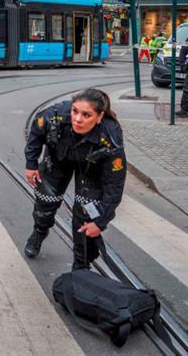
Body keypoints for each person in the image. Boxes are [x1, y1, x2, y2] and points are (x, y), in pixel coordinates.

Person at [23, 88, 127, 270]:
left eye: (86, 115)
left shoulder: (110, 136)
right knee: (45, 202)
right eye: (75, 111)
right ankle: (39, 231)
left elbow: (114, 183)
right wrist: (31, 163)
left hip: (91, 167)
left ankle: (81, 265)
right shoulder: (54, 115)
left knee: (87, 215)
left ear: (100, 116)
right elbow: (36, 132)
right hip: (58, 157)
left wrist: (100, 221)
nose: (78, 119)